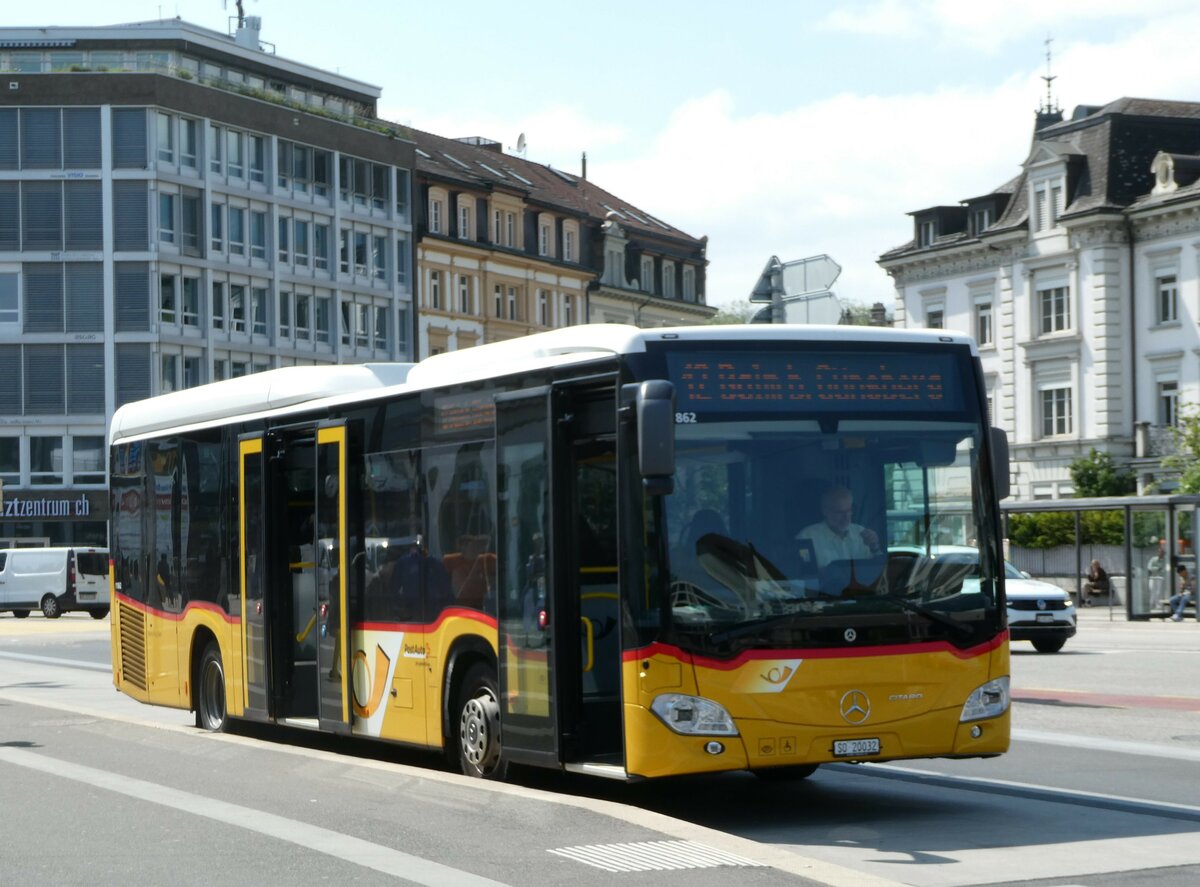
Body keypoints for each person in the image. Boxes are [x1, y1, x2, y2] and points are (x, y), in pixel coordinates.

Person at [797, 485, 881, 569]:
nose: (846, 517)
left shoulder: (862, 533)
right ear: (825, 511)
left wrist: (874, 547)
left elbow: (880, 569)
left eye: (849, 510)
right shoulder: (806, 537)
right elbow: (804, 575)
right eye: (840, 512)